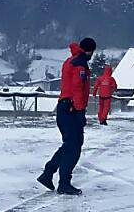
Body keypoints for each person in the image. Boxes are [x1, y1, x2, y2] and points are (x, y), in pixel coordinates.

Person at [38, 37, 96, 196]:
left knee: (69, 144)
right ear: (90, 50)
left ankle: (48, 173)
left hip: (64, 108)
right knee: (74, 147)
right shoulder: (80, 65)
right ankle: (63, 182)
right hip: (71, 109)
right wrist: (79, 112)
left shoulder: (71, 60)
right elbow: (78, 89)